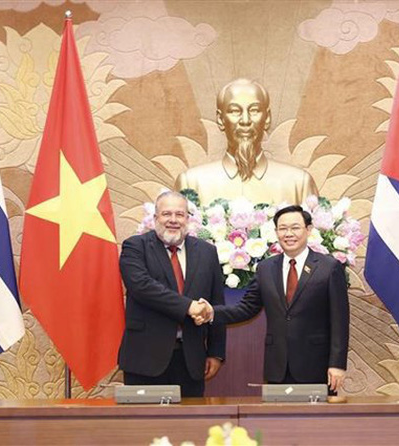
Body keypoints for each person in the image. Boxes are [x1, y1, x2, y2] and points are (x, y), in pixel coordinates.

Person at [195, 205, 349, 392]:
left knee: (316, 421)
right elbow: (246, 308)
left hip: (317, 366)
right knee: (279, 420)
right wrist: (211, 312)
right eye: (283, 228)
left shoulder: (329, 267)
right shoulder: (266, 268)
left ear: (308, 230)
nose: (288, 234)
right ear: (276, 232)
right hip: (278, 366)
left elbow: (340, 321)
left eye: (295, 228)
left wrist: (337, 364)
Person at [118, 191, 225, 397]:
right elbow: (142, 287)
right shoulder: (135, 246)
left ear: (188, 218)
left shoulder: (207, 252)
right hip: (145, 358)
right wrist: (188, 306)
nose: (173, 220)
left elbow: (216, 303)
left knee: (188, 426)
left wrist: (216, 353)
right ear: (155, 218)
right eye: (167, 214)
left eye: (180, 214)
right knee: (144, 425)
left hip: (191, 359)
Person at [175, 78, 318, 205]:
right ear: (220, 119)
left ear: (267, 118)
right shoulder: (191, 183)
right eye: (234, 111)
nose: (245, 120)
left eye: (254, 110)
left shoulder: (299, 184)